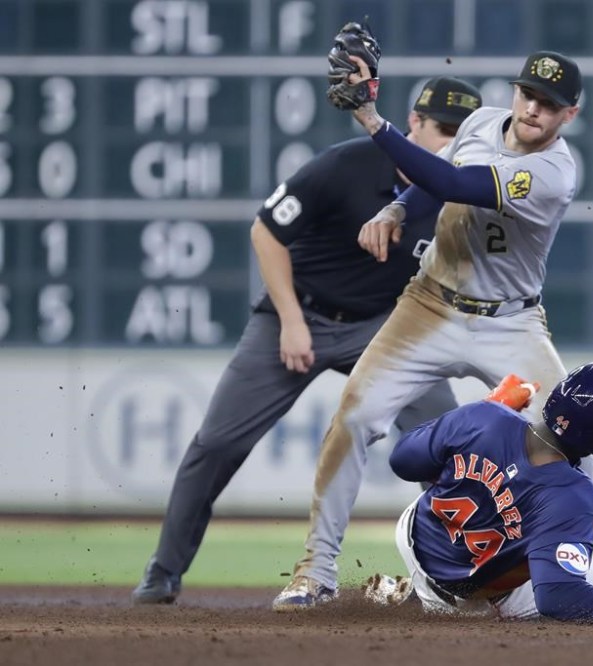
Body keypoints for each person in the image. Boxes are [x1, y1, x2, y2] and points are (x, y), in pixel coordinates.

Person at [130, 75, 484, 605]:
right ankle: (163, 572)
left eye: (461, 134)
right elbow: (266, 232)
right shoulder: (345, 164)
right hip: (296, 316)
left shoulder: (458, 194)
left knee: (447, 447)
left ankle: (469, 572)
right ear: (413, 122)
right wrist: (293, 320)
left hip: (383, 327)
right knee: (219, 443)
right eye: (441, 128)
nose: (448, 142)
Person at [271, 35, 593, 611]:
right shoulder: (482, 123)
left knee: (575, 442)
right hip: (430, 304)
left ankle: (561, 572)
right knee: (355, 416)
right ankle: (314, 570)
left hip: (511, 322)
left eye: (548, 102)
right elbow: (433, 181)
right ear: (515, 92)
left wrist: (371, 117)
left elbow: (459, 186)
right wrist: (397, 208)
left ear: (570, 113)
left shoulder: (554, 171)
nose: (532, 109)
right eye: (527, 93)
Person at [364, 363, 593, 625]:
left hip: (414, 536)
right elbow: (559, 599)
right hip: (463, 597)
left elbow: (403, 462)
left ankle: (411, 589)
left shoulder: (485, 416)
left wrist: (491, 405)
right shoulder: (570, 493)